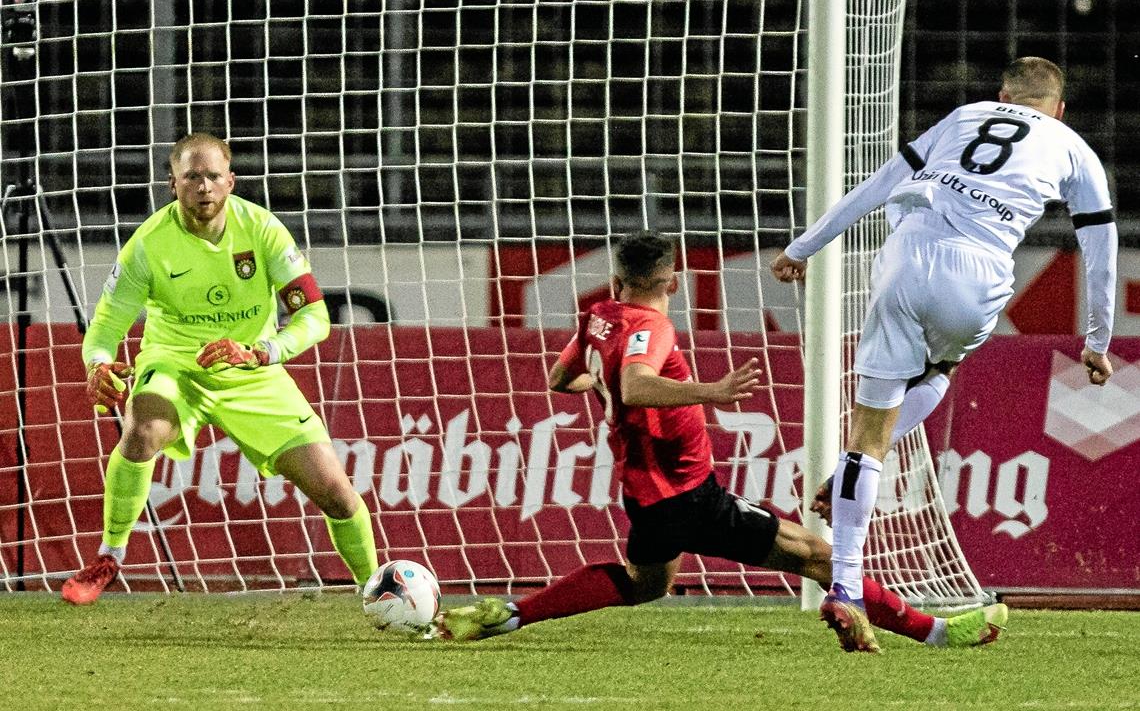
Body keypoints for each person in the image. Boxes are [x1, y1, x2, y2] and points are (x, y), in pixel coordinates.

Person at [434, 231, 1007, 651]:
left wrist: (607, 382)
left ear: (616, 281)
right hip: (686, 494)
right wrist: (710, 389)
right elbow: (635, 385)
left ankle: (508, 614)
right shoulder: (651, 326)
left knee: (643, 584)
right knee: (820, 556)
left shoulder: (597, 316)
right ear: (674, 282)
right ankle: (933, 633)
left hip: (646, 496)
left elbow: (563, 379)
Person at [770, 56, 1116, 649]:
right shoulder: (1073, 147)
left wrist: (805, 246)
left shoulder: (967, 115)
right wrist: (1097, 339)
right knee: (941, 369)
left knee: (866, 433)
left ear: (1001, 92)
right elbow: (1099, 244)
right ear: (1059, 108)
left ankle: (846, 583)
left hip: (906, 253)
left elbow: (881, 183)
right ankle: (860, 476)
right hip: (979, 270)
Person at [63, 133, 378, 604]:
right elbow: (105, 328)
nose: (204, 186)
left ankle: (377, 590)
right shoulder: (148, 245)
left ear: (231, 181)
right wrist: (99, 363)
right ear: (173, 183)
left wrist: (262, 352)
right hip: (174, 366)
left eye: (213, 176)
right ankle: (110, 556)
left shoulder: (263, 230)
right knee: (144, 428)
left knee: (335, 490)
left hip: (252, 370)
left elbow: (316, 317)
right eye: (192, 176)